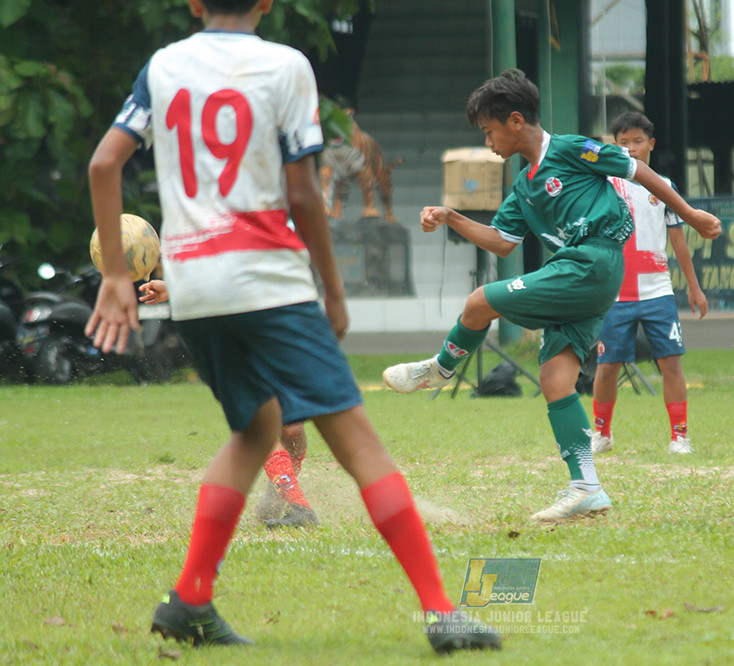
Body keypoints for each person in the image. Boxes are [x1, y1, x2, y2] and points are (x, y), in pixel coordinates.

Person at [86, 0, 499, 653]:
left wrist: (116, 273)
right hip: (266, 279)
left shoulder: (163, 66)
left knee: (254, 429)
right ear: (267, 3)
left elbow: (104, 164)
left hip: (194, 286)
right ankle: (442, 611)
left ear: (194, 3)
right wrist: (332, 290)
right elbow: (303, 192)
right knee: (358, 440)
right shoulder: (284, 64)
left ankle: (191, 600)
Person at [381, 69, 721, 522]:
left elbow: (637, 169)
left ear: (515, 121)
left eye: (489, 131)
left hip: (592, 261)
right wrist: (451, 217)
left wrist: (691, 214)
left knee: (480, 301)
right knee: (555, 380)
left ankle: (440, 369)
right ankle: (587, 488)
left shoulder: (570, 148)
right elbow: (503, 241)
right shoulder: (524, 187)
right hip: (582, 276)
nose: (488, 143)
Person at [140, 280, 318, 528]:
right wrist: (177, 287)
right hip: (237, 340)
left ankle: (279, 491)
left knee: (292, 430)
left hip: (279, 333)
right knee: (262, 426)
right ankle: (300, 507)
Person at [589, 112, 708, 457]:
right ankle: (602, 433)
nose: (631, 149)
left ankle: (679, 436)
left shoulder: (665, 187)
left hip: (657, 291)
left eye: (637, 141)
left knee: (670, 362)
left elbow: (679, 242)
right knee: (608, 365)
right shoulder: (607, 184)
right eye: (623, 142)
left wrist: (694, 288)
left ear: (651, 144)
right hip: (615, 292)